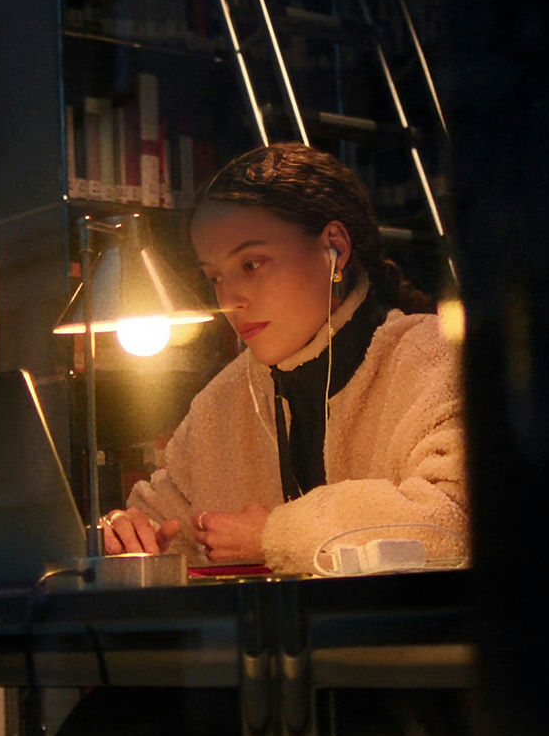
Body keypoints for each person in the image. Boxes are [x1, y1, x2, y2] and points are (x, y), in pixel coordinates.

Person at [100, 141, 468, 575]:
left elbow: (455, 518)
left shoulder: (434, 359)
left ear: (334, 248)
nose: (230, 299)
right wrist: (123, 533)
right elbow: (160, 522)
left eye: (252, 264)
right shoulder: (223, 403)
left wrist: (275, 535)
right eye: (214, 276)